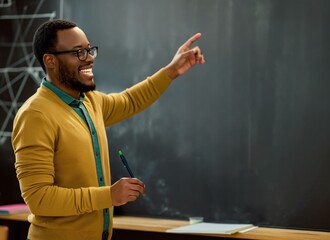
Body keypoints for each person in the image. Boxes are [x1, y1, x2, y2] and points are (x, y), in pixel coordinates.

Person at [11, 19, 205, 240]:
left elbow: (130, 100)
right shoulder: (35, 115)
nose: (90, 58)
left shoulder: (89, 101)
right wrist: (109, 195)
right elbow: (39, 199)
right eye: (78, 53)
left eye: (89, 50)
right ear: (50, 61)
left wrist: (171, 71)